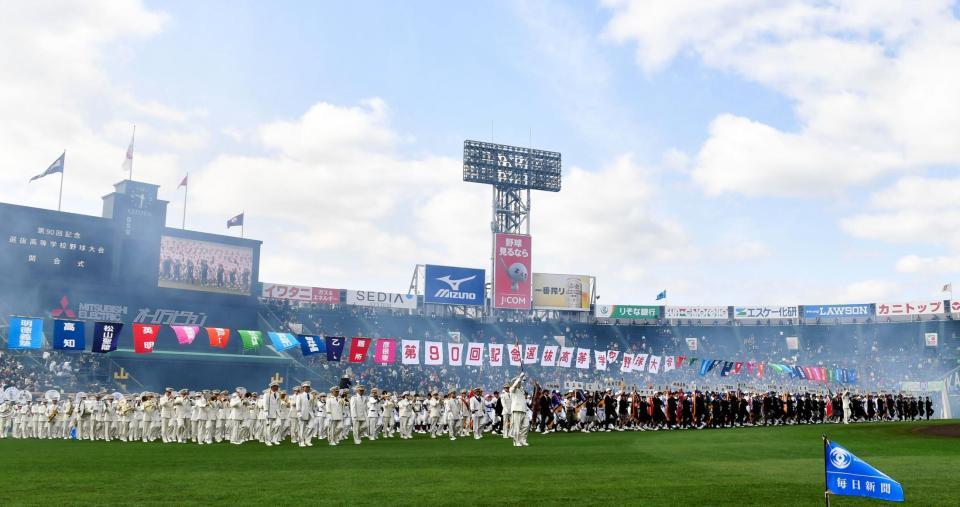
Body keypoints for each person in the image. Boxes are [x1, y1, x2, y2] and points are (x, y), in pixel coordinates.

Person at [509, 374, 529, 447]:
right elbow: (514, 386)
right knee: (516, 427)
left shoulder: (522, 390)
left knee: (526, 425)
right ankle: (516, 441)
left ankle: (522, 440)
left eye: (520, 382)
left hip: (524, 410)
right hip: (516, 410)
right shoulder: (512, 389)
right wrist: (520, 377)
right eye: (519, 382)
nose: (520, 383)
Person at [296, 381, 314, 447]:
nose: (307, 388)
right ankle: (301, 442)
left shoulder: (311, 395)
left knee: (312, 427)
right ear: (303, 388)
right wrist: (299, 413)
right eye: (306, 387)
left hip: (310, 413)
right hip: (302, 413)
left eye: (308, 387)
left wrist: (313, 411)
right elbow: (298, 405)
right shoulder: (300, 396)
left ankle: (308, 441)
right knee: (301, 428)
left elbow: (312, 405)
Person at [264, 381, 282, 446]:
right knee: (269, 427)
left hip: (277, 412)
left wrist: (280, 410)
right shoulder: (267, 394)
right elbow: (265, 404)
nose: (277, 388)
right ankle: (268, 441)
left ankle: (275, 439)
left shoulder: (278, 394)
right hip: (270, 412)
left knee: (278, 425)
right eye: (276, 386)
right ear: (272, 387)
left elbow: (279, 403)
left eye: (277, 386)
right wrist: (266, 412)